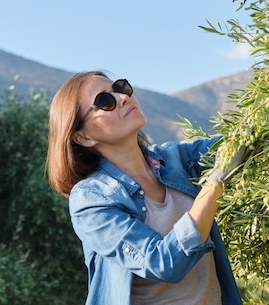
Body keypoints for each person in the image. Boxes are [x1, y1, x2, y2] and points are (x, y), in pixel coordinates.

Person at [45, 71, 244, 305]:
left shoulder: (175, 159)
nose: (123, 98)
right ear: (84, 137)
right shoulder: (90, 200)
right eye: (104, 102)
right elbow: (163, 262)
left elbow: (239, 144)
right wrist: (216, 183)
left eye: (121, 88)